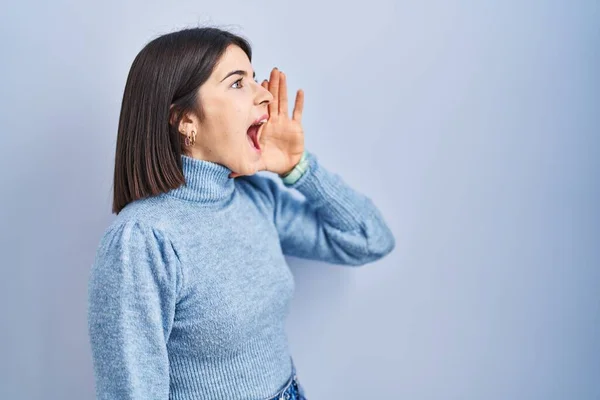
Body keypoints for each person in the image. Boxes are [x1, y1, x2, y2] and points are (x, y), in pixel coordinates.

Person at [87, 26, 395, 400]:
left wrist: (298, 170)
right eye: (237, 83)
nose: (265, 94)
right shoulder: (143, 239)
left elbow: (371, 240)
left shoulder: (256, 198)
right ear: (185, 119)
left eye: (254, 78)